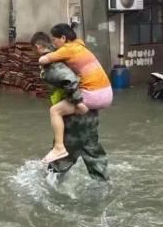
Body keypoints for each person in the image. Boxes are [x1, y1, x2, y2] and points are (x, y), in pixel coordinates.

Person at [31, 31, 109, 180]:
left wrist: (77, 101)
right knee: (94, 155)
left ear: (38, 47)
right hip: (90, 115)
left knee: (59, 162)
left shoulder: (51, 64)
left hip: (74, 117)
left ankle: (52, 187)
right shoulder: (64, 54)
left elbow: (70, 79)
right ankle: (104, 186)